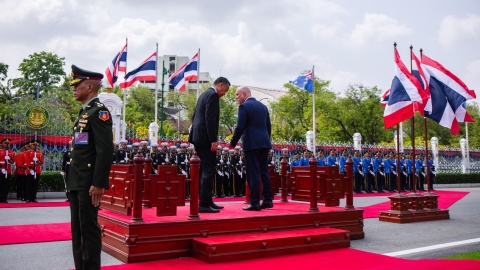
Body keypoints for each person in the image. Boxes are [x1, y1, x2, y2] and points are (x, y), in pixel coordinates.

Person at [67, 65, 114, 270]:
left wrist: (98, 183)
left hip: (88, 183)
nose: (74, 89)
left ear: (89, 87)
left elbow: (105, 151)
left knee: (89, 230)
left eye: (77, 85)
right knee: (77, 232)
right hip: (76, 180)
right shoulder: (84, 112)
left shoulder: (99, 112)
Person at [188, 77, 230, 213]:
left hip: (198, 136)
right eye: (225, 90)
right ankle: (204, 204)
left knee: (205, 169)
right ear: (221, 84)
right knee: (209, 169)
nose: (224, 94)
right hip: (205, 138)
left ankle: (207, 200)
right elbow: (210, 118)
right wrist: (213, 140)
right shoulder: (212, 95)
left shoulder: (204, 94)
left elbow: (194, 116)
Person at [230, 86, 273, 211]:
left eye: (237, 95)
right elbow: (268, 127)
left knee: (253, 172)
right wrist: (266, 141)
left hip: (251, 143)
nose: (236, 98)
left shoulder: (244, 107)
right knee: (264, 172)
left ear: (244, 94)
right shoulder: (263, 107)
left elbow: (240, 127)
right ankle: (267, 200)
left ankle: (254, 202)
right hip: (264, 143)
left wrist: (233, 143)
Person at [0, 138, 15, 203]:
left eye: (8, 143)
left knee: (6, 185)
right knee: (0, 185)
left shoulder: (11, 152)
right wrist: (1, 168)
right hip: (0, 170)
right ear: (2, 144)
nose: (7, 144)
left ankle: (4, 198)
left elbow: (13, 162)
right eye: (5, 143)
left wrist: (9, 159)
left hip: (8, 170)